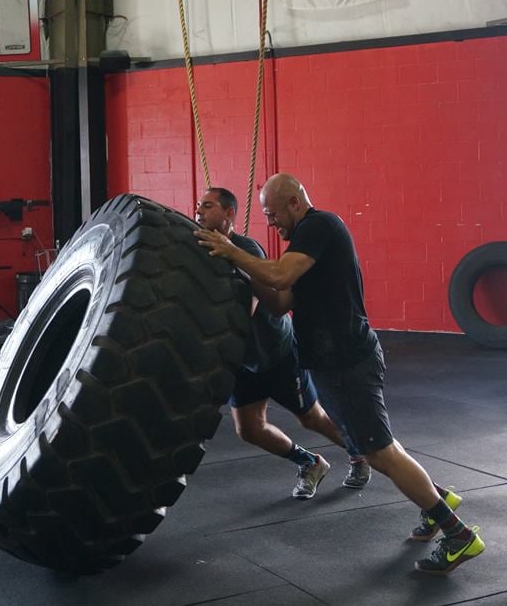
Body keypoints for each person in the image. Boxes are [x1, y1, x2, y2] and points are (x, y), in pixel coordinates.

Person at [195, 174, 485, 576]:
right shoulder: (303, 244)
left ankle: (458, 535)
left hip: (348, 362)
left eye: (274, 214)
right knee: (380, 448)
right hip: (333, 363)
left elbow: (278, 276)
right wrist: (245, 273)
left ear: (295, 202)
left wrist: (232, 252)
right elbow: (279, 302)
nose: (272, 223)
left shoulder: (320, 225)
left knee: (380, 453)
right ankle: (438, 503)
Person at [195, 186, 371, 500]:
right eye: (199, 206)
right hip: (244, 359)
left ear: (229, 213)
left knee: (312, 417)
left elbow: (245, 308)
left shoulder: (246, 248)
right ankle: (310, 463)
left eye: (208, 206)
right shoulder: (197, 254)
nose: (199, 212)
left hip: (276, 350)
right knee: (249, 429)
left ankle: (362, 454)